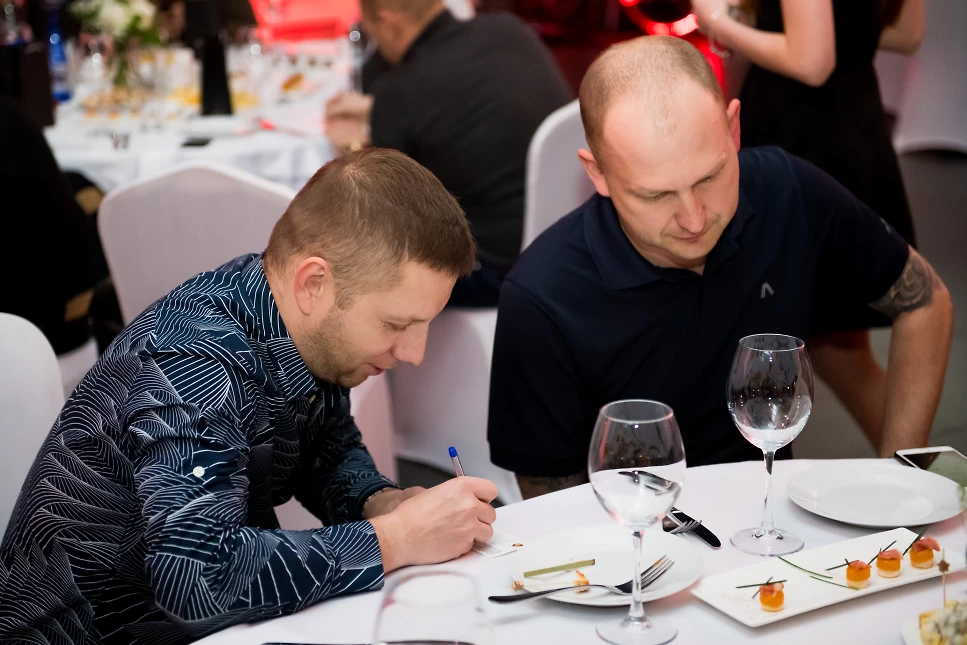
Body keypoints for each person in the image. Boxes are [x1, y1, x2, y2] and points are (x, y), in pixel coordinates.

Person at [0, 149, 499, 644]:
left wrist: (382, 502)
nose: (415, 353)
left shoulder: (293, 322)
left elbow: (326, 450)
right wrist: (397, 538)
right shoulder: (194, 363)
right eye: (396, 324)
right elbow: (197, 575)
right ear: (314, 284)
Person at [486, 36, 953, 500]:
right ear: (598, 174)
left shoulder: (785, 191)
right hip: (640, 528)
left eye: (710, 176)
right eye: (655, 195)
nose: (694, 220)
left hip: (774, 515)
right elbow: (549, 500)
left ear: (733, 130)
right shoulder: (543, 299)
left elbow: (926, 301)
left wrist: (901, 478)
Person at [689, 0, 925, 435]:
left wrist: (716, 20)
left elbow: (812, 63)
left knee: (825, 347)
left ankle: (912, 469)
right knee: (837, 347)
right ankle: (912, 467)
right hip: (854, 123)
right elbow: (907, 32)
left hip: (803, 134)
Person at [324, 0, 573, 307]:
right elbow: (456, 103)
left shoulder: (399, 91)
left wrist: (349, 148)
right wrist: (379, 113)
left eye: (369, 29)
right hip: (565, 241)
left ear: (389, 22)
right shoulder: (508, 28)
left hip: (497, 270)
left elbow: (385, 216)